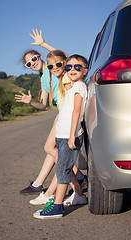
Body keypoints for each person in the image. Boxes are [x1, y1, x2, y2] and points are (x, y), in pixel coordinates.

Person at [15, 29, 87, 202]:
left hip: (67, 113)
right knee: (52, 150)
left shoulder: (60, 69)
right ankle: (74, 186)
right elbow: (43, 105)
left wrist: (43, 44)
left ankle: (74, 181)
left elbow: (65, 59)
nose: (32, 63)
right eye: (28, 64)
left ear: (40, 57)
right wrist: (30, 102)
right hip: (61, 113)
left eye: (33, 59)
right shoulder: (44, 78)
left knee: (50, 149)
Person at [33, 54, 88, 219]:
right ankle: (78, 196)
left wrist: (72, 135)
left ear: (85, 71)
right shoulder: (73, 86)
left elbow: (77, 113)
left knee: (62, 170)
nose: (72, 69)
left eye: (77, 67)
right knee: (63, 168)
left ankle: (57, 207)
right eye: (69, 66)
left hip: (68, 136)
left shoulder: (79, 87)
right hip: (62, 135)